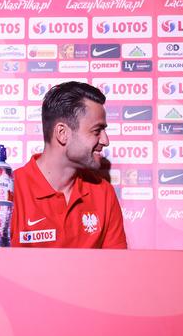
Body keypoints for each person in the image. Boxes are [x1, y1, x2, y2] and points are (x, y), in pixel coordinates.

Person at [11, 81, 127, 248]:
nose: (105, 140)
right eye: (96, 131)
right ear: (62, 133)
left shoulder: (104, 194)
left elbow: (117, 269)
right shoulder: (8, 193)